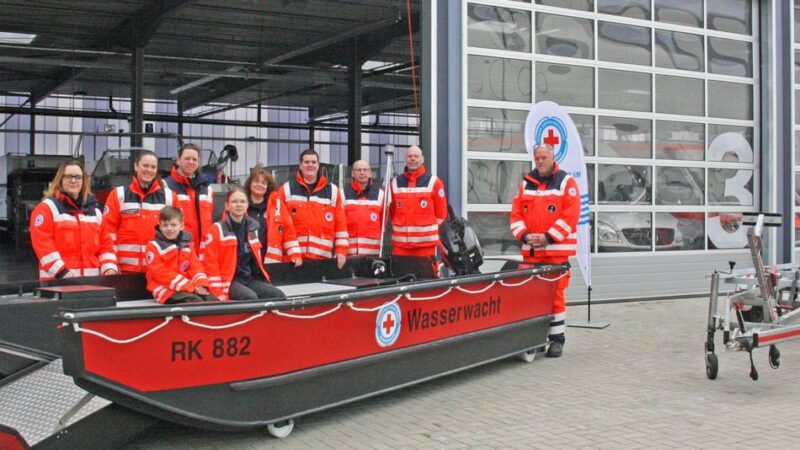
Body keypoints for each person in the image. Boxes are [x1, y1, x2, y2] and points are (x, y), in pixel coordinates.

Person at [509, 143, 580, 358]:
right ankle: (536, 338)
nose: (540, 161)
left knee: (555, 297)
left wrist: (548, 237)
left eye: (544, 158)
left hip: (555, 254)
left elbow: (571, 215)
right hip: (531, 254)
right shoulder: (526, 183)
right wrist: (524, 236)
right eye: (537, 158)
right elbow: (515, 214)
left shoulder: (566, 182)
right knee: (532, 299)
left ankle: (557, 340)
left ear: (552, 158)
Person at [30, 159, 118, 280]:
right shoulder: (47, 209)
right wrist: (62, 273)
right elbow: (43, 245)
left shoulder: (95, 213)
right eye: (68, 177)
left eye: (78, 177)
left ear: (84, 181)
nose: (73, 180)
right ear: (60, 179)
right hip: (56, 284)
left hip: (91, 285)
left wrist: (109, 268)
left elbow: (106, 245)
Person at [202, 188, 286, 301]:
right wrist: (217, 292)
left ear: (247, 205)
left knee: (278, 295)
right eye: (234, 201)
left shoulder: (252, 228)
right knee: (250, 298)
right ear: (227, 205)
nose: (239, 205)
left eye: (242, 201)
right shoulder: (216, 229)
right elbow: (210, 264)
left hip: (248, 279)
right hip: (229, 281)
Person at [102, 150, 177, 273]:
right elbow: (107, 234)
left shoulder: (170, 198)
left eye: (153, 167)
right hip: (124, 271)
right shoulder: (118, 195)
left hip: (158, 271)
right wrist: (110, 265)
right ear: (136, 166)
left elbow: (177, 235)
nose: (149, 170)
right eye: (145, 165)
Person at [278, 149, 348, 269]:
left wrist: (341, 251)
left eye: (313, 162)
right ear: (300, 165)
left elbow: (341, 225)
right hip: (293, 259)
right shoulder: (286, 189)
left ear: (318, 165)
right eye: (306, 162)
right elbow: (279, 226)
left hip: (322, 259)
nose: (310, 165)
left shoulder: (333, 191)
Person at [144, 206, 216, 304]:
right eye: (165, 225)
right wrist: (190, 287)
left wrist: (201, 285)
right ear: (160, 226)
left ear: (181, 226)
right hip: (165, 290)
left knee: (212, 299)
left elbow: (195, 267)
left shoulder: (187, 245)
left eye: (173, 225)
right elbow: (160, 274)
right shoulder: (153, 246)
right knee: (195, 301)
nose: (169, 228)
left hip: (187, 287)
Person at [389, 145, 448, 259]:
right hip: (401, 246)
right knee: (401, 276)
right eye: (409, 156)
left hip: (425, 246)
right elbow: (392, 212)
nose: (412, 159)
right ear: (405, 159)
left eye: (416, 156)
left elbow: (441, 215)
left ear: (422, 159)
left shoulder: (434, 182)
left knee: (426, 277)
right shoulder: (395, 183)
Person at [244, 164, 302, 266]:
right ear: (250, 184)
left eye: (263, 183)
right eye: (256, 181)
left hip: (270, 263)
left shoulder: (277, 205)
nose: (259, 185)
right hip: (245, 263)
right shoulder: (240, 205)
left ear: (267, 187)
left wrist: (295, 254)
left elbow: (289, 231)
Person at [163, 143, 213, 252]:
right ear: (178, 160)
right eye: (187, 158)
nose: (191, 162)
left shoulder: (207, 189)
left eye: (194, 159)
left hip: (203, 255)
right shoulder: (166, 186)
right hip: (178, 252)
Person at [342, 160, 385, 257]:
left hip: (372, 254)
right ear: (353, 173)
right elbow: (339, 225)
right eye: (358, 170)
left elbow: (383, 223)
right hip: (349, 253)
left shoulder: (380, 195)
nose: (362, 173)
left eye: (365, 170)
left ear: (370, 173)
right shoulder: (342, 194)